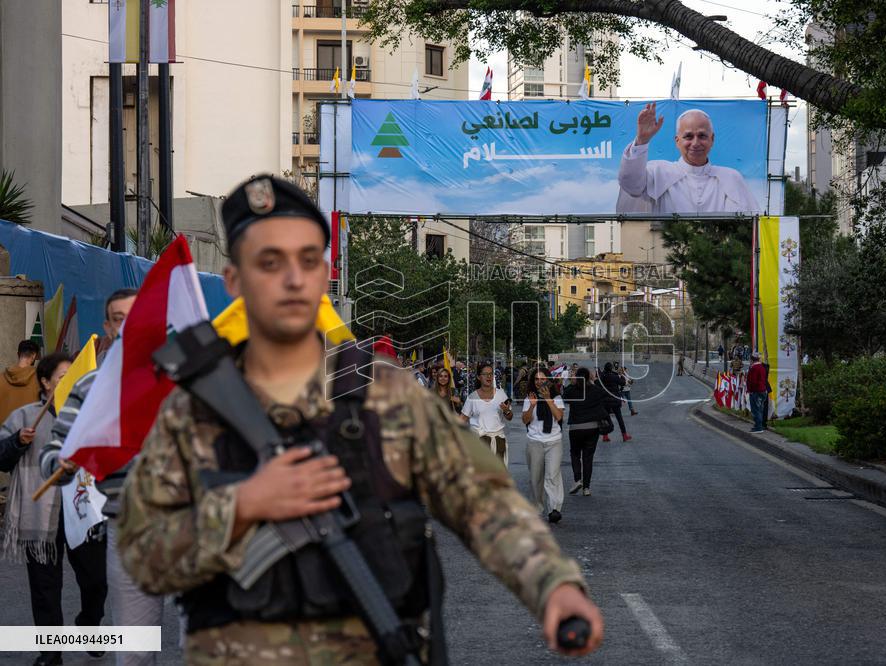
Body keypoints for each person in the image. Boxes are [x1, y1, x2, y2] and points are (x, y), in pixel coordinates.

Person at [116, 175, 602, 662]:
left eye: (308, 261)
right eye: (269, 262)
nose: (292, 278)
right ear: (234, 281)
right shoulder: (194, 410)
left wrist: (553, 586)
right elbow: (142, 556)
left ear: (323, 274)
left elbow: (484, 502)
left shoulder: (387, 397)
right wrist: (243, 505)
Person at [40, 288, 165, 666]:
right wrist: (62, 465)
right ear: (108, 326)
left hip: (200, 521)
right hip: (130, 524)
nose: (129, 327)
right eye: (119, 318)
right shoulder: (89, 388)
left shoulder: (183, 378)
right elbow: (52, 457)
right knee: (137, 648)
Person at [1, 352, 107, 666]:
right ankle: (51, 652)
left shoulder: (91, 418)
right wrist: (17, 442)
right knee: (45, 588)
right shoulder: (25, 416)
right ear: (46, 382)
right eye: (62, 377)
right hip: (39, 516)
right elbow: (1, 457)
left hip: (83, 515)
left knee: (96, 581)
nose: (69, 384)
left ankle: (89, 625)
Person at [617, 105, 761, 215]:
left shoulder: (731, 178)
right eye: (688, 136)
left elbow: (751, 223)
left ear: (712, 139)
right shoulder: (658, 171)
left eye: (702, 136)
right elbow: (630, 184)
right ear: (677, 141)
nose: (696, 143)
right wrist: (642, 140)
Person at [522, 367, 566, 524]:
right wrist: (533, 405)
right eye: (536, 379)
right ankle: (537, 508)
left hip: (553, 441)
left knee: (552, 475)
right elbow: (525, 420)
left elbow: (559, 416)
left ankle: (554, 509)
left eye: (542, 379)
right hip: (534, 442)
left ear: (548, 380)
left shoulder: (557, 397)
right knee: (536, 478)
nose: (539, 382)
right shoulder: (529, 398)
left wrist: (548, 399)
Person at [561, 368, 606, 498]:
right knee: (588, 458)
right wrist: (594, 380)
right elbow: (603, 394)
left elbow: (565, 397)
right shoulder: (595, 389)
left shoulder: (572, 390)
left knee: (575, 454)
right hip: (592, 427)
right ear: (588, 377)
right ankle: (586, 488)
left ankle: (577, 480)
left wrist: (572, 382)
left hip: (576, 427)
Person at [460, 362, 514, 467]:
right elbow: (462, 418)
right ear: (479, 377)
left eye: (491, 374)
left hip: (498, 440)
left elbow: (510, 417)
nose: (489, 376)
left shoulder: (501, 394)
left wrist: (507, 411)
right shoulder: (472, 397)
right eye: (485, 374)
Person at [0, 339, 41, 425]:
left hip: (4, 434)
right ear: (34, 355)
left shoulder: (1, 378)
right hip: (27, 434)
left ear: (18, 354)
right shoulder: (40, 379)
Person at [597, 362, 630, 443]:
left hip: (605, 401)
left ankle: (605, 436)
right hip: (615, 400)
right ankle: (624, 435)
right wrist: (621, 375)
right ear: (611, 368)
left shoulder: (602, 377)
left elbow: (597, 384)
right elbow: (623, 383)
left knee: (606, 418)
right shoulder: (614, 376)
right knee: (619, 418)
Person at [747, 351, 768, 433]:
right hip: (762, 390)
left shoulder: (754, 368)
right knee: (760, 409)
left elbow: (753, 381)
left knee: (756, 409)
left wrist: (751, 390)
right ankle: (758, 425)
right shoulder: (762, 367)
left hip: (756, 391)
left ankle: (758, 427)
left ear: (752, 359)